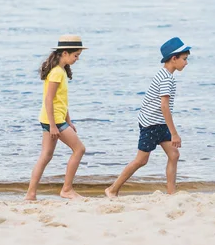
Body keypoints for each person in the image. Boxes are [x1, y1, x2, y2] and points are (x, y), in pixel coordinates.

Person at [105, 37, 191, 197]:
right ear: (174, 58)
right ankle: (112, 189)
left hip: (159, 123)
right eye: (185, 59)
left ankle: (171, 193)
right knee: (141, 160)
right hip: (151, 124)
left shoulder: (166, 75)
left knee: (174, 154)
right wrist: (174, 133)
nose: (186, 63)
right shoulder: (166, 78)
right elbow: (164, 106)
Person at [25, 35, 87, 200]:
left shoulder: (60, 71)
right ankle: (67, 189)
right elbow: (48, 99)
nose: (77, 59)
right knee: (79, 149)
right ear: (65, 53)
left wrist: (69, 121)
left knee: (46, 155)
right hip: (53, 120)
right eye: (76, 55)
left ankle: (31, 194)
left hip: (52, 119)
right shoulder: (57, 73)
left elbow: (62, 101)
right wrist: (53, 125)